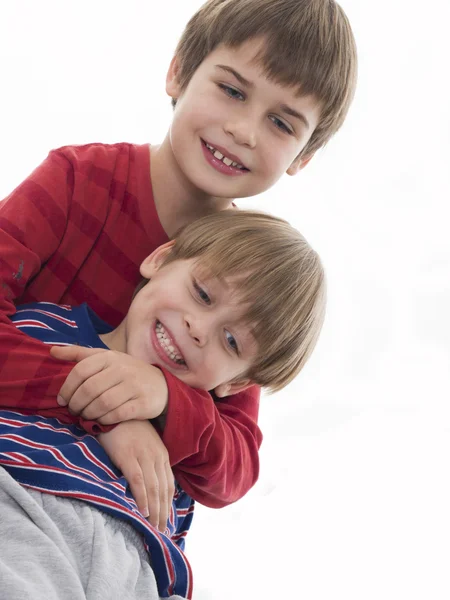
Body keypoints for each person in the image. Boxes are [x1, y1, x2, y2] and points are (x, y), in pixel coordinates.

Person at [0, 0, 356, 535]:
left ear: (303, 156)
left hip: (106, 525)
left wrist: (163, 399)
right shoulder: (78, 180)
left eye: (281, 122)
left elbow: (234, 470)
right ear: (178, 72)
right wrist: (112, 412)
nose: (243, 130)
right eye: (232, 90)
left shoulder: (245, 276)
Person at [0, 210, 325, 599]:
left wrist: (167, 398)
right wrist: (104, 413)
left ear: (236, 382)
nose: (198, 329)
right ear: (161, 259)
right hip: (24, 505)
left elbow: (234, 477)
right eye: (202, 294)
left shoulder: (199, 436)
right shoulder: (41, 331)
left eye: (232, 341)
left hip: (136, 566)